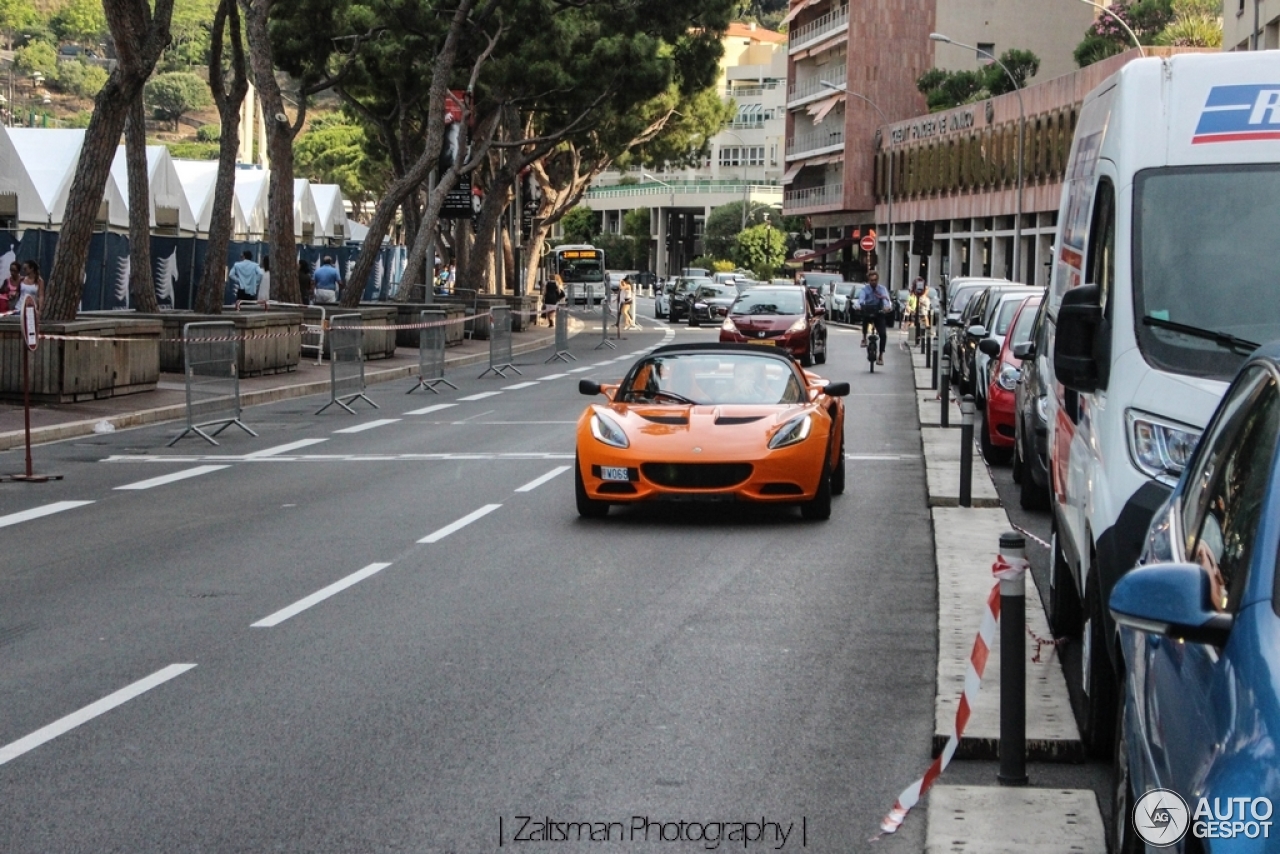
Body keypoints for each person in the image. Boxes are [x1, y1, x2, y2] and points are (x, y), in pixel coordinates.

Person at [857, 271, 892, 365]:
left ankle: (880, 355)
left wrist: (887, 307)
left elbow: (885, 299)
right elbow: (861, 299)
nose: (874, 282)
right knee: (864, 318)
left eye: (875, 280)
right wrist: (860, 305)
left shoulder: (882, 289)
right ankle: (864, 338)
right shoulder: (865, 289)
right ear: (869, 280)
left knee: (883, 334)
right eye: (872, 280)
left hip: (879, 312)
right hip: (868, 310)